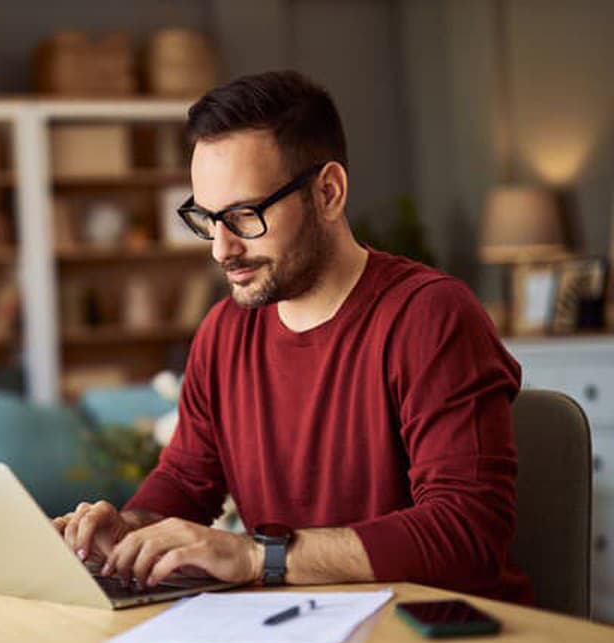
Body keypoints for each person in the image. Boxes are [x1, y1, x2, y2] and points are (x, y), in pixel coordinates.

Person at [52, 70, 532, 603]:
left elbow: (466, 532)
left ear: (328, 192)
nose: (221, 249)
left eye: (244, 215)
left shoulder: (431, 316)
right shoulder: (223, 333)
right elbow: (189, 482)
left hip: (442, 639)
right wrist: (130, 528)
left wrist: (258, 556)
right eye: (207, 219)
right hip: (297, 635)